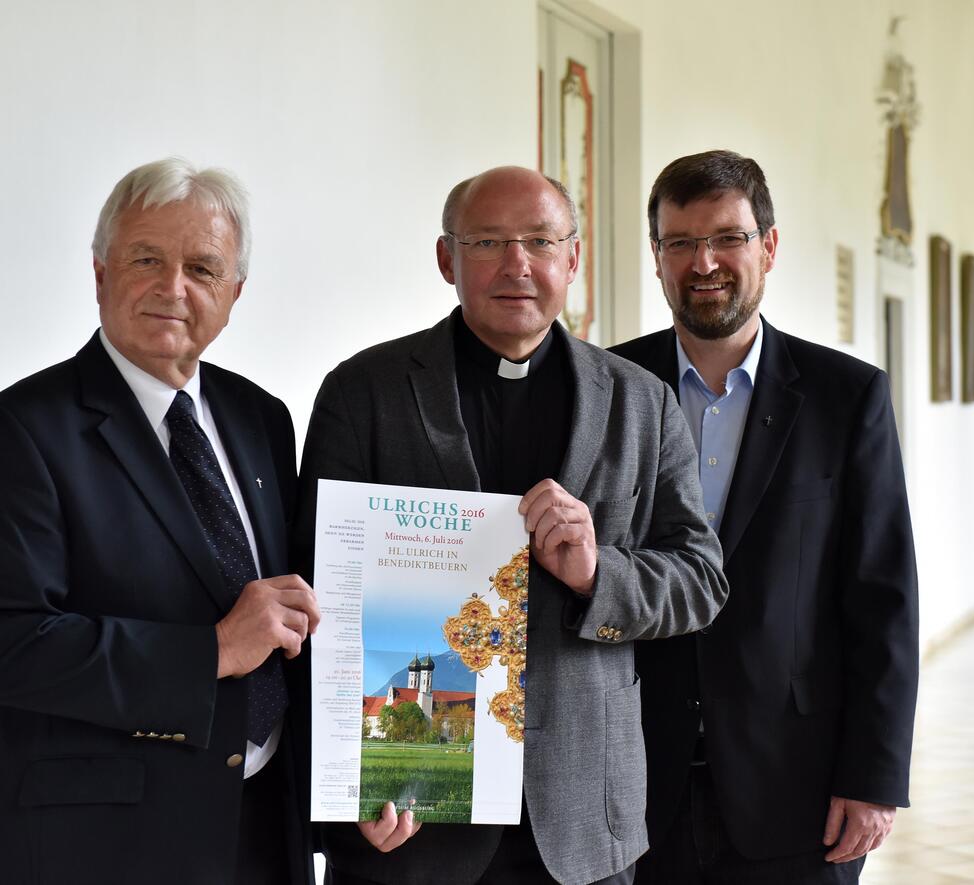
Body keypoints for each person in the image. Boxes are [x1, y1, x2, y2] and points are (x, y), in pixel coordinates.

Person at [297, 165, 728, 885]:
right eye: (489, 242)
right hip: (411, 809)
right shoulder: (362, 392)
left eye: (538, 240)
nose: (516, 264)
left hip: (581, 812)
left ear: (573, 258)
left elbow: (701, 579)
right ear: (447, 259)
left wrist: (599, 573)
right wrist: (346, 790)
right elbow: (321, 596)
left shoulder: (641, 403)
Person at [0, 158, 319, 885]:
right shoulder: (23, 428)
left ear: (234, 293)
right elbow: (12, 639)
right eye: (147, 258)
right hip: (108, 844)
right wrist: (207, 651)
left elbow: (293, 617)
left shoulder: (262, 418)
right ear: (100, 271)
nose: (173, 287)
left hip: (265, 832)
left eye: (203, 267)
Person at [611, 149, 919, 884]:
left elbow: (884, 599)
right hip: (633, 781)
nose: (703, 261)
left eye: (727, 237)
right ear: (656, 258)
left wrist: (875, 775)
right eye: (679, 242)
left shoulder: (848, 398)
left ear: (769, 247)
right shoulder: (607, 386)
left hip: (798, 785)